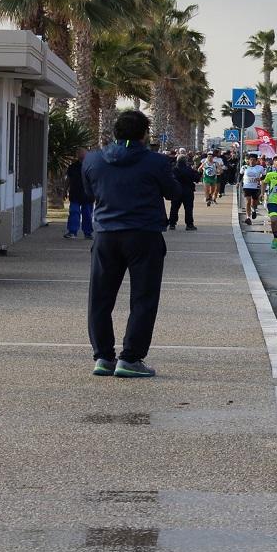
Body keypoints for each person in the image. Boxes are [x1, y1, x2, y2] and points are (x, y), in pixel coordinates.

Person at [81, 110, 181, 378]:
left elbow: (90, 193)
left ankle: (103, 356)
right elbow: (173, 193)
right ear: (144, 134)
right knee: (143, 298)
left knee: (100, 298)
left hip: (105, 235)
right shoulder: (156, 162)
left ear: (114, 132)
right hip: (144, 234)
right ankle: (131, 358)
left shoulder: (92, 160)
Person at [65, 148, 93, 239]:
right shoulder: (72, 167)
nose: (81, 155)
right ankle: (72, 232)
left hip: (88, 196)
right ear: (77, 155)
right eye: (79, 154)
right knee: (74, 212)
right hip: (75, 194)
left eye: (83, 154)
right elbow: (68, 180)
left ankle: (88, 233)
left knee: (87, 214)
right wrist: (64, 190)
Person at [168, 154, 201, 231]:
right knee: (188, 208)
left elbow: (169, 180)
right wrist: (197, 172)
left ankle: (172, 224)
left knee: (174, 208)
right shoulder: (189, 170)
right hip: (188, 191)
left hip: (176, 191)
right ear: (185, 161)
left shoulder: (173, 170)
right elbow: (196, 179)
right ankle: (189, 225)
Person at [240, 154, 266, 225]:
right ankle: (248, 217)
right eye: (250, 160)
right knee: (248, 201)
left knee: (254, 202)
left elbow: (264, 175)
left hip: (255, 187)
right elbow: (240, 175)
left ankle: (254, 210)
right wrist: (237, 183)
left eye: (254, 160)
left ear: (256, 161)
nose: (252, 161)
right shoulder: (244, 167)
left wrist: (260, 179)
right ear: (248, 160)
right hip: (246, 186)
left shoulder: (260, 168)